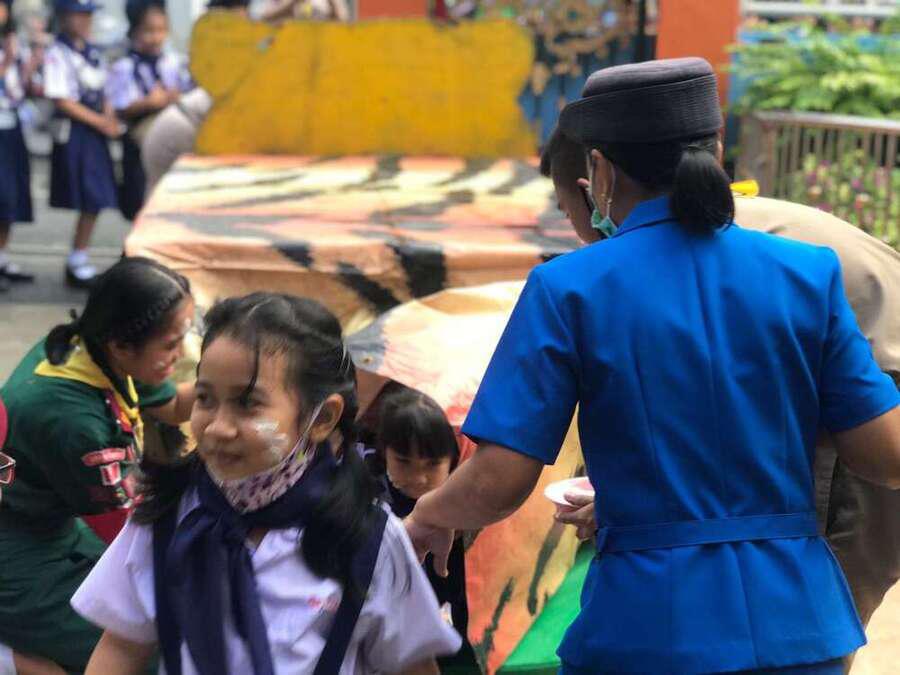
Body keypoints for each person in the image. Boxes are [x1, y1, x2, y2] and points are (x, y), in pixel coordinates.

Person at [405, 57, 900, 674]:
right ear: (718, 149)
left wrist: (428, 515)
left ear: (600, 171)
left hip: (647, 630)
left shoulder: (568, 288)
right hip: (799, 627)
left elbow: (499, 481)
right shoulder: (807, 273)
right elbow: (885, 456)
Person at [541, 124, 900, 647]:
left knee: (815, 598)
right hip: (869, 354)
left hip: (881, 373)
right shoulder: (699, 226)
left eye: (564, 210)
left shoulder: (681, 249)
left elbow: (730, 421)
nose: (575, 231)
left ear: (596, 183)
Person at [72, 292, 461, 674]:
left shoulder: (367, 538)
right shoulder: (167, 517)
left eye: (247, 403)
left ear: (322, 418)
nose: (218, 427)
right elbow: (122, 648)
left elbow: (411, 664)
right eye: (205, 398)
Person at [0, 257, 196, 672]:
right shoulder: (74, 421)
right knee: (146, 654)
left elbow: (176, 405)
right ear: (122, 345)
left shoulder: (95, 348)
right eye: (171, 344)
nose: (181, 355)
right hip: (18, 554)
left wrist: (230, 376)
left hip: (54, 526)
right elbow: (128, 533)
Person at [366, 385, 479, 674]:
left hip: (454, 613)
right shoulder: (368, 492)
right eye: (403, 462)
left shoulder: (468, 500)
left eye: (432, 464)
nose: (418, 478)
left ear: (453, 460)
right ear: (384, 452)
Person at [43, 0, 120, 288]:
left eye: (88, 15)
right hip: (76, 132)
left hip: (96, 131)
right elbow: (61, 99)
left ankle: (80, 255)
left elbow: (105, 90)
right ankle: (77, 259)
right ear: (64, 17)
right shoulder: (57, 52)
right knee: (87, 195)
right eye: (79, 15)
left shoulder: (93, 52)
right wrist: (100, 121)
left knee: (95, 198)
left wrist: (109, 118)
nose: (86, 21)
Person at [108, 0, 193, 221]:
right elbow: (119, 106)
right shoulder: (125, 66)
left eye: (161, 30)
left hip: (169, 136)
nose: (156, 38)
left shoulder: (172, 62)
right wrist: (148, 103)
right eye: (149, 31)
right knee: (140, 200)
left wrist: (175, 97)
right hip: (138, 141)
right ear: (134, 31)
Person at [0, 0, 37, 291]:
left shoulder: (12, 42)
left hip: (11, 126)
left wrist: (33, 60)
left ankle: (1, 257)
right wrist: (7, 62)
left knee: (11, 196)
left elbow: (23, 87)